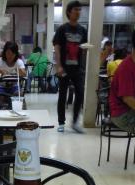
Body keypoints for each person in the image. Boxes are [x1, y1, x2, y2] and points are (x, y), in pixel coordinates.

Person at [53, 1, 88, 133]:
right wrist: (58, 66)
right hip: (64, 68)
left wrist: (84, 52)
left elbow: (83, 48)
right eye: (75, 10)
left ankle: (75, 122)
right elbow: (57, 48)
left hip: (77, 68)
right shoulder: (62, 29)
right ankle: (61, 122)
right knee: (62, 95)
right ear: (69, 12)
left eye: (79, 10)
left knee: (80, 93)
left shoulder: (82, 30)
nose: (78, 12)